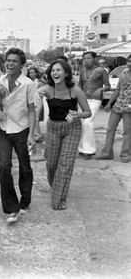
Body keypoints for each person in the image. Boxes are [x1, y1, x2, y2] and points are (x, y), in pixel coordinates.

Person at [38, 59, 91, 210]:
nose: (55, 73)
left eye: (59, 70)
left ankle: (59, 199)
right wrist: (37, 97)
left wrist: (77, 115)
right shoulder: (47, 89)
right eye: (53, 70)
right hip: (53, 128)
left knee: (65, 164)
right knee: (52, 163)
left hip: (72, 128)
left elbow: (88, 112)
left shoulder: (75, 90)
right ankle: (55, 185)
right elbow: (31, 99)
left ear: (66, 73)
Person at [0, 48, 36, 223]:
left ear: (22, 65)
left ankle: (25, 200)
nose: (10, 64)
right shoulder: (0, 82)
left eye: (14, 61)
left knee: (25, 167)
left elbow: (32, 110)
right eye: (8, 60)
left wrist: (31, 135)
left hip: (22, 130)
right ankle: (12, 208)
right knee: (4, 167)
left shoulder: (28, 84)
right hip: (4, 129)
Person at [96, 54, 131, 163]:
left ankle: (125, 155)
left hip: (128, 109)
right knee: (110, 129)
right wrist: (110, 103)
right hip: (118, 105)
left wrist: (129, 106)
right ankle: (107, 153)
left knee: (127, 132)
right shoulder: (124, 72)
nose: (130, 64)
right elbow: (117, 89)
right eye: (129, 61)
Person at [78, 51, 111, 158]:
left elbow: (108, 86)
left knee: (88, 123)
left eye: (88, 58)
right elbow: (79, 86)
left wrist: (100, 89)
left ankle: (89, 150)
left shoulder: (101, 71)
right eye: (84, 59)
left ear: (94, 59)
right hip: (83, 100)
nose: (86, 60)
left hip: (95, 100)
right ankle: (82, 148)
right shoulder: (82, 71)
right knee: (82, 124)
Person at [27, 66, 45, 142]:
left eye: (32, 72)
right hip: (29, 102)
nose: (31, 74)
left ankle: (37, 135)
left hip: (38, 102)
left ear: (36, 73)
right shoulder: (27, 81)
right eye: (30, 73)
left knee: (36, 118)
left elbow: (43, 93)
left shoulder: (39, 82)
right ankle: (32, 135)